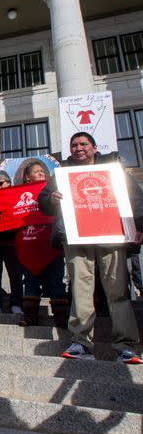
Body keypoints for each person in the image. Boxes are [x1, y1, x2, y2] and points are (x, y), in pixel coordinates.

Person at [38, 132, 143, 363]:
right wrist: (51, 199)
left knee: (117, 290)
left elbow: (134, 196)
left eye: (83, 144)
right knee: (81, 289)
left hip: (111, 234)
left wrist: (140, 224)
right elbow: (43, 200)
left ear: (94, 148)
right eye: (74, 145)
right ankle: (81, 342)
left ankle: (126, 345)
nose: (79, 148)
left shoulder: (113, 169)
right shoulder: (61, 173)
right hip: (77, 237)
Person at [15, 161, 68, 327]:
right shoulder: (17, 194)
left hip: (52, 244)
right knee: (30, 282)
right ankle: (30, 316)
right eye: (37, 172)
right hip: (29, 245)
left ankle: (61, 318)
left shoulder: (55, 191)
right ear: (27, 177)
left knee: (56, 282)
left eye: (43, 171)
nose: (41, 174)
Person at [0, 170, 23, 315]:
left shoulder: (15, 195)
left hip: (11, 242)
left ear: (9, 183)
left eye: (1, 183)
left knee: (15, 274)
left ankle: (16, 303)